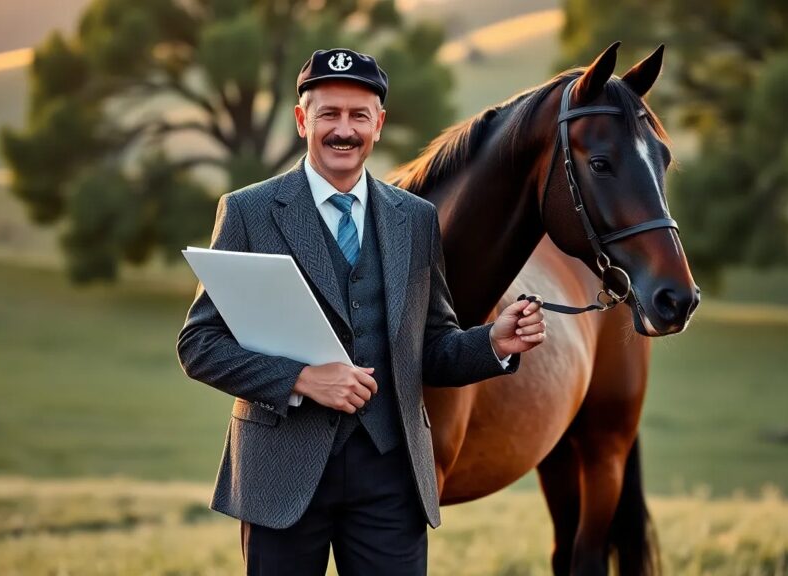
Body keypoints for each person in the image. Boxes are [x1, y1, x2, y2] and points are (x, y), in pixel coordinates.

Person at [176, 48, 547, 576]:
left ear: (379, 123)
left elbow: (433, 348)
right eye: (329, 114)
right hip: (280, 473)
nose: (343, 130)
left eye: (358, 115)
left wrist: (492, 343)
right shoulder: (248, 211)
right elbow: (199, 346)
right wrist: (302, 379)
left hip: (390, 476)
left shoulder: (417, 221)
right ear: (303, 119)